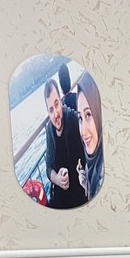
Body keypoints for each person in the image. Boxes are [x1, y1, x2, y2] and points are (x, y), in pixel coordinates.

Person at [44, 77, 86, 209]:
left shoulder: (73, 119)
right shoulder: (49, 131)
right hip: (59, 197)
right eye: (51, 110)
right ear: (48, 113)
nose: (56, 114)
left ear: (61, 100)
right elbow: (48, 168)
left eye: (56, 104)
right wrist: (57, 179)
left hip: (79, 195)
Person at [76, 72, 104, 201]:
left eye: (88, 114)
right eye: (80, 118)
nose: (83, 131)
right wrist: (87, 184)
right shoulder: (93, 164)